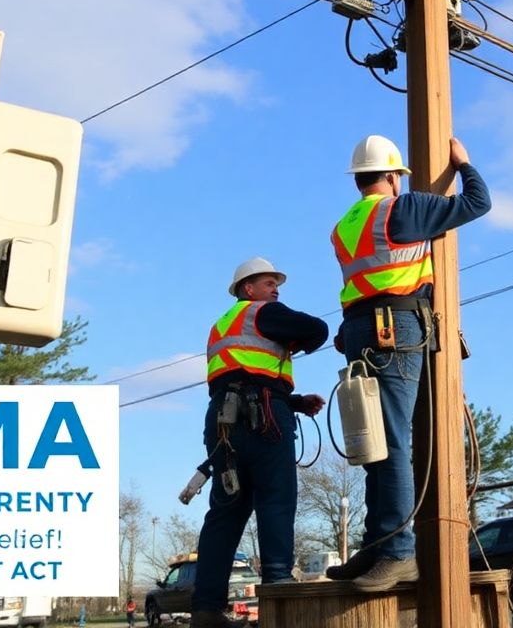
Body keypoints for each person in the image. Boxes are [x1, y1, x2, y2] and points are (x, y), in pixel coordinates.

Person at [325, 134, 491, 592]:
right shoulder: (402, 209)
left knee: (372, 444)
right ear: (394, 176)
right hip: (394, 328)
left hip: (359, 329)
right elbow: (478, 203)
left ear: (358, 178)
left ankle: (378, 543)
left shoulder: (345, 224)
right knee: (393, 441)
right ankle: (397, 554)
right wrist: (464, 163)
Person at [188, 257, 329, 628]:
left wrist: (294, 402)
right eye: (269, 283)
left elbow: (239, 375)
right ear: (248, 289)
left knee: (226, 512)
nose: (276, 290)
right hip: (263, 418)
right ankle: (279, 589)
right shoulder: (261, 313)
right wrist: (294, 342)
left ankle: (205, 609)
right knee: (276, 499)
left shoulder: (221, 326)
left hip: (223, 421)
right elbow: (317, 329)